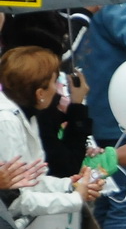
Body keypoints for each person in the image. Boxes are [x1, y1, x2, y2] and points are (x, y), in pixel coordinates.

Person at [0, 49, 103, 219]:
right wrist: (75, 198)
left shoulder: (27, 115)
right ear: (40, 93)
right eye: (55, 82)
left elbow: (34, 180)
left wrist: (70, 185)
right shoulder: (7, 122)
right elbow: (14, 201)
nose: (57, 90)